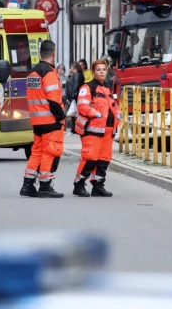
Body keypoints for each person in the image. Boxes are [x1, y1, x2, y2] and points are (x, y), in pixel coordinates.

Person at [20, 40, 67, 198]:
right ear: (54, 54)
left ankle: (27, 184)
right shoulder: (49, 73)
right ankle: (45, 186)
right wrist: (61, 117)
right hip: (50, 120)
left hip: (36, 120)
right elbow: (53, 99)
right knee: (50, 152)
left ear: (40, 53)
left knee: (37, 152)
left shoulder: (33, 72)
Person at [72, 58, 119, 198]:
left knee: (104, 159)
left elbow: (113, 106)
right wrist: (96, 114)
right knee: (90, 158)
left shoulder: (106, 89)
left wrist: (119, 115)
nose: (102, 72)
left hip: (107, 131)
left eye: (104, 69)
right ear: (93, 72)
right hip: (92, 130)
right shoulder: (87, 87)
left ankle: (98, 186)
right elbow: (82, 106)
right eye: (99, 70)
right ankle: (79, 185)